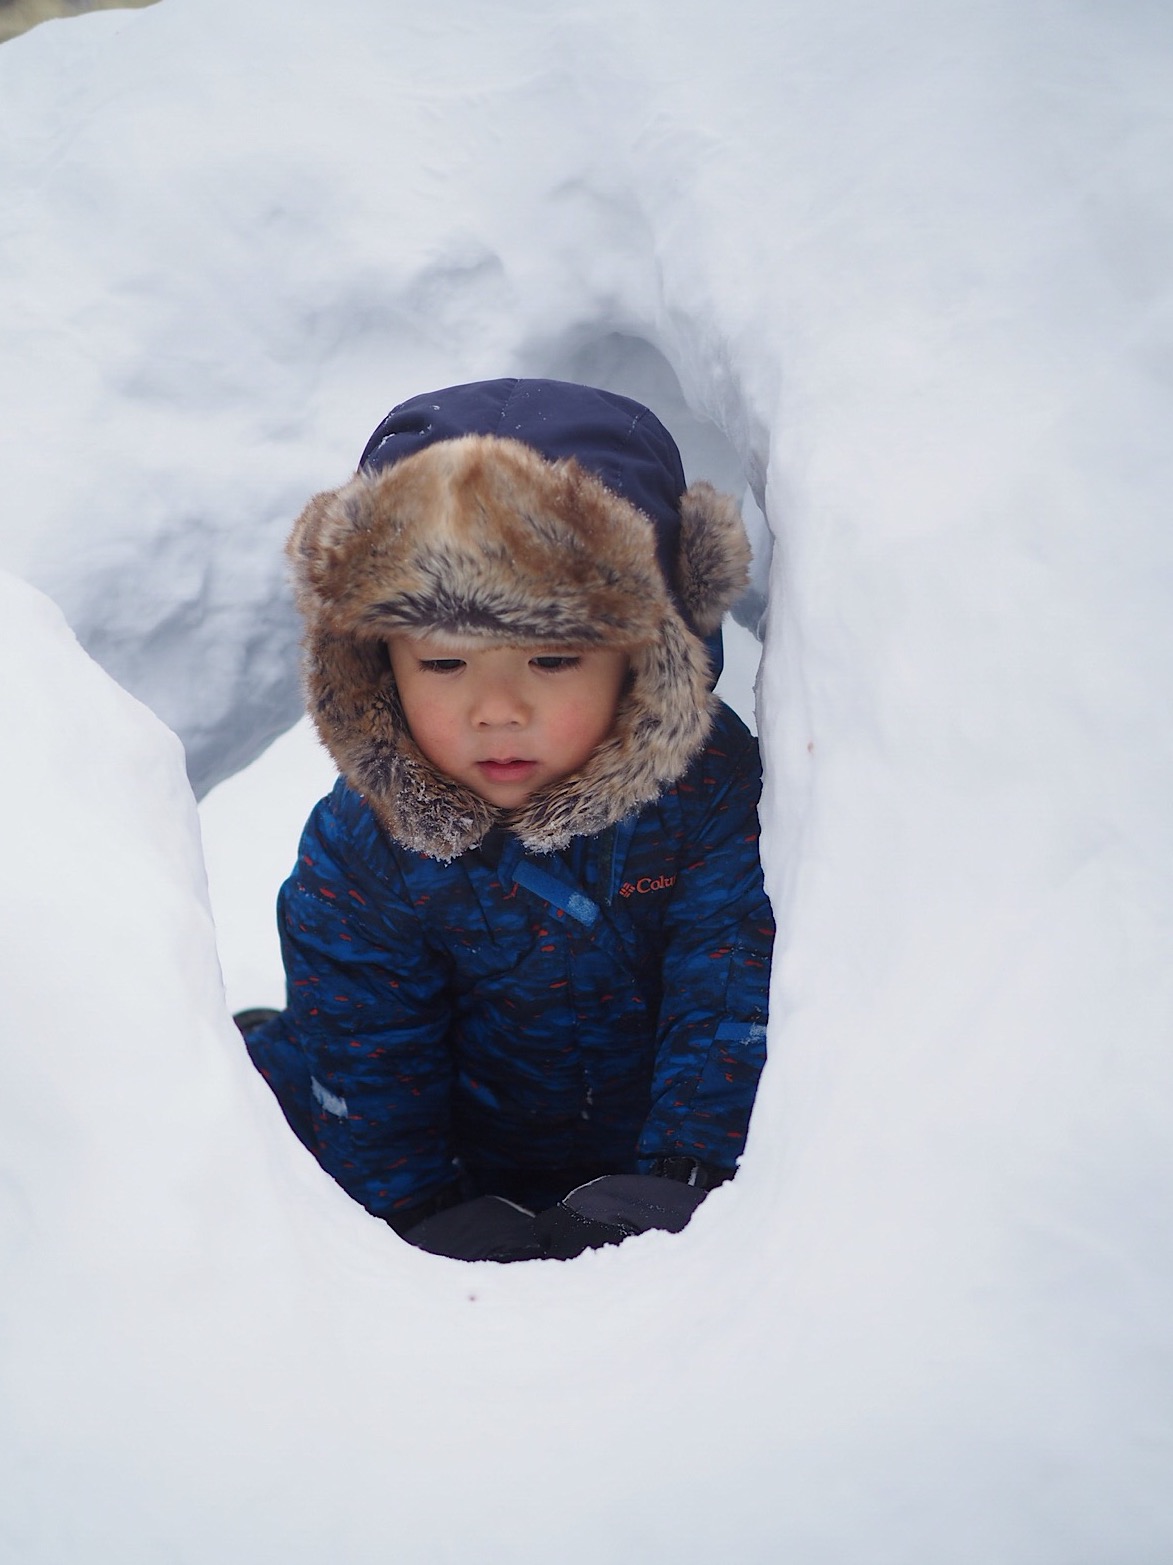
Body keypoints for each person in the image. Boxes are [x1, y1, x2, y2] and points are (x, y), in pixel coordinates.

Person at [237, 378, 773, 1262]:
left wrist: (683, 1176)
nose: (495, 707)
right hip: (456, 1144)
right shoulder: (366, 843)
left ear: (645, 654)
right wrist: (418, 1208)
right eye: (444, 661)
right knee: (279, 1095)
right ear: (378, 665)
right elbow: (367, 1050)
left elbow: (729, 991)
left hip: (638, 1141)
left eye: (552, 655)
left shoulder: (706, 794)